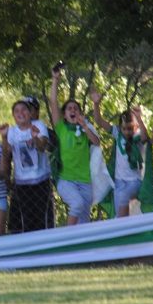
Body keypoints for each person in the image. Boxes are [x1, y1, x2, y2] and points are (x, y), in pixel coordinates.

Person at [49, 66, 100, 225]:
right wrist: (55, 80)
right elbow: (53, 103)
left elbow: (97, 142)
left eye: (76, 109)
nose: (73, 110)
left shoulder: (85, 128)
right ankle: (67, 235)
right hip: (66, 180)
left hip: (85, 181)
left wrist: (84, 126)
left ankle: (81, 241)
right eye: (69, 109)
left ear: (80, 113)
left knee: (84, 220)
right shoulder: (61, 128)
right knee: (76, 204)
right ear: (65, 114)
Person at [90, 93, 150, 217]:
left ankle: (120, 227)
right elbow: (99, 121)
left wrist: (139, 118)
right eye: (124, 128)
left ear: (136, 127)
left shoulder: (138, 136)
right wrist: (96, 104)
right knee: (120, 213)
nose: (127, 132)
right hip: (119, 181)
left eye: (130, 128)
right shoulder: (117, 133)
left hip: (134, 181)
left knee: (122, 204)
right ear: (120, 127)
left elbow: (145, 137)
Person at [0, 100, 54, 232]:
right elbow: (6, 153)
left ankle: (45, 243)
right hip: (22, 183)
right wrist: (4, 137)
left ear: (30, 113)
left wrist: (35, 137)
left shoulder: (39, 125)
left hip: (41, 180)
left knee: (42, 219)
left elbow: (42, 147)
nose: (21, 113)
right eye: (17, 111)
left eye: (24, 109)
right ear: (13, 116)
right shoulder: (12, 132)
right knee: (26, 219)